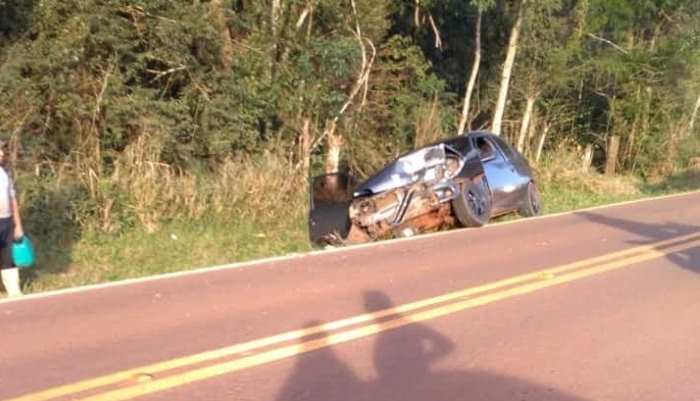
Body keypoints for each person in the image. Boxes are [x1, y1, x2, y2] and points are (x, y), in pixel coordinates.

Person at [0, 141, 24, 297]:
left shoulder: (5, 172)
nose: (2, 154)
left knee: (9, 257)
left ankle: (14, 292)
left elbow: (12, 198)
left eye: (1, 150)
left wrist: (18, 225)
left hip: (7, 221)